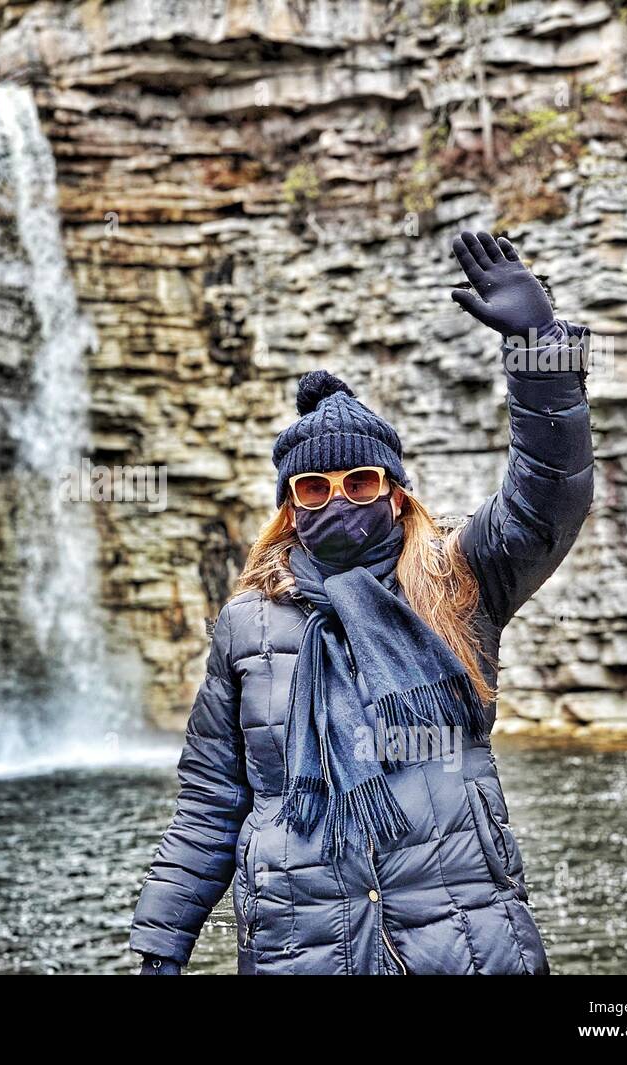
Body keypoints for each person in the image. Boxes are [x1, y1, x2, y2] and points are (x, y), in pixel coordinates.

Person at [130, 232, 593, 974]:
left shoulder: (458, 578)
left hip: (465, 940)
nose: (338, 497)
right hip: (302, 947)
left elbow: (550, 496)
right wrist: (161, 944)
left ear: (395, 490)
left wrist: (541, 356)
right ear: (289, 505)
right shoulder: (246, 624)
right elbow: (210, 801)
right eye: (314, 487)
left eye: (361, 480)